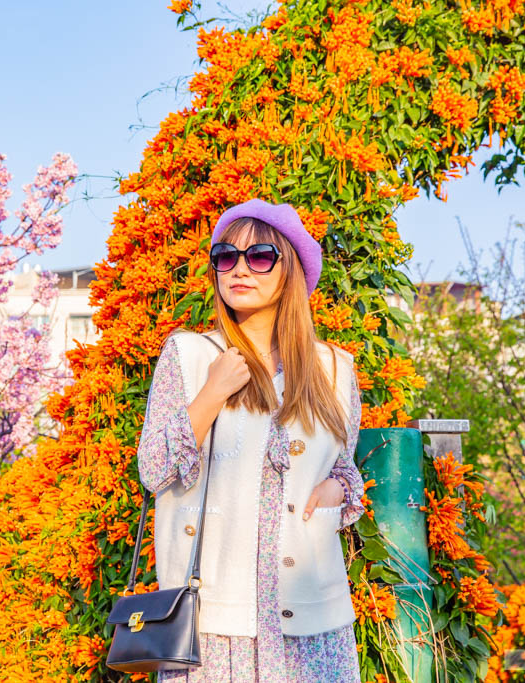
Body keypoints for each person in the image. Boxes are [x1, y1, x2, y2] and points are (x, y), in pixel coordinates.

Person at [137, 198, 367, 682]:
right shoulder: (190, 356)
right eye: (226, 256)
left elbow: (344, 466)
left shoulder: (334, 371)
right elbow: (154, 469)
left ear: (292, 270)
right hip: (214, 625)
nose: (240, 269)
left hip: (312, 625)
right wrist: (213, 392)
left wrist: (339, 490)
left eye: (260, 256)